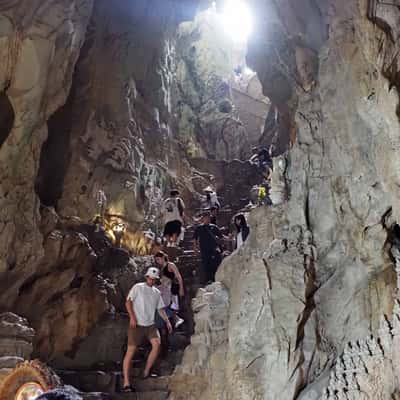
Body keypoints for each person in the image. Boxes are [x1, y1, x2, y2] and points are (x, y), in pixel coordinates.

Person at [122, 267, 172, 392]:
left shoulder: (156, 292)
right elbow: (128, 302)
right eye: (150, 278)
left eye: (154, 279)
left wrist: (167, 321)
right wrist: (132, 317)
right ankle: (126, 383)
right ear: (146, 277)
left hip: (150, 325)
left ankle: (145, 372)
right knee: (130, 352)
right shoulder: (138, 287)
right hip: (137, 324)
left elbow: (160, 309)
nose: (152, 280)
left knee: (157, 344)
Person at [193, 211, 223, 284]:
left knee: (215, 263)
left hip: (214, 249)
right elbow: (195, 238)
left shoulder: (214, 227)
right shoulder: (199, 228)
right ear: (203, 218)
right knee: (206, 264)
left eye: (209, 217)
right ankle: (208, 280)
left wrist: (229, 238)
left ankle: (215, 278)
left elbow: (221, 236)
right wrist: (195, 248)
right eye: (206, 217)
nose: (207, 219)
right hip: (204, 249)